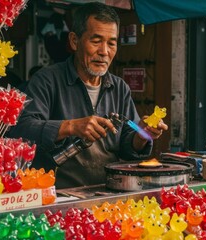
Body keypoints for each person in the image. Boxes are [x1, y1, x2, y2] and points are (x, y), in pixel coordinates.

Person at [9, 2, 168, 189]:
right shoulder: (47, 80)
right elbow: (21, 131)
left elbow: (127, 144)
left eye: (111, 43)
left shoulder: (119, 88)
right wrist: (71, 126)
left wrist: (141, 136)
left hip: (108, 192)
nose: (104, 52)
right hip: (58, 194)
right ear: (75, 41)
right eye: (96, 41)